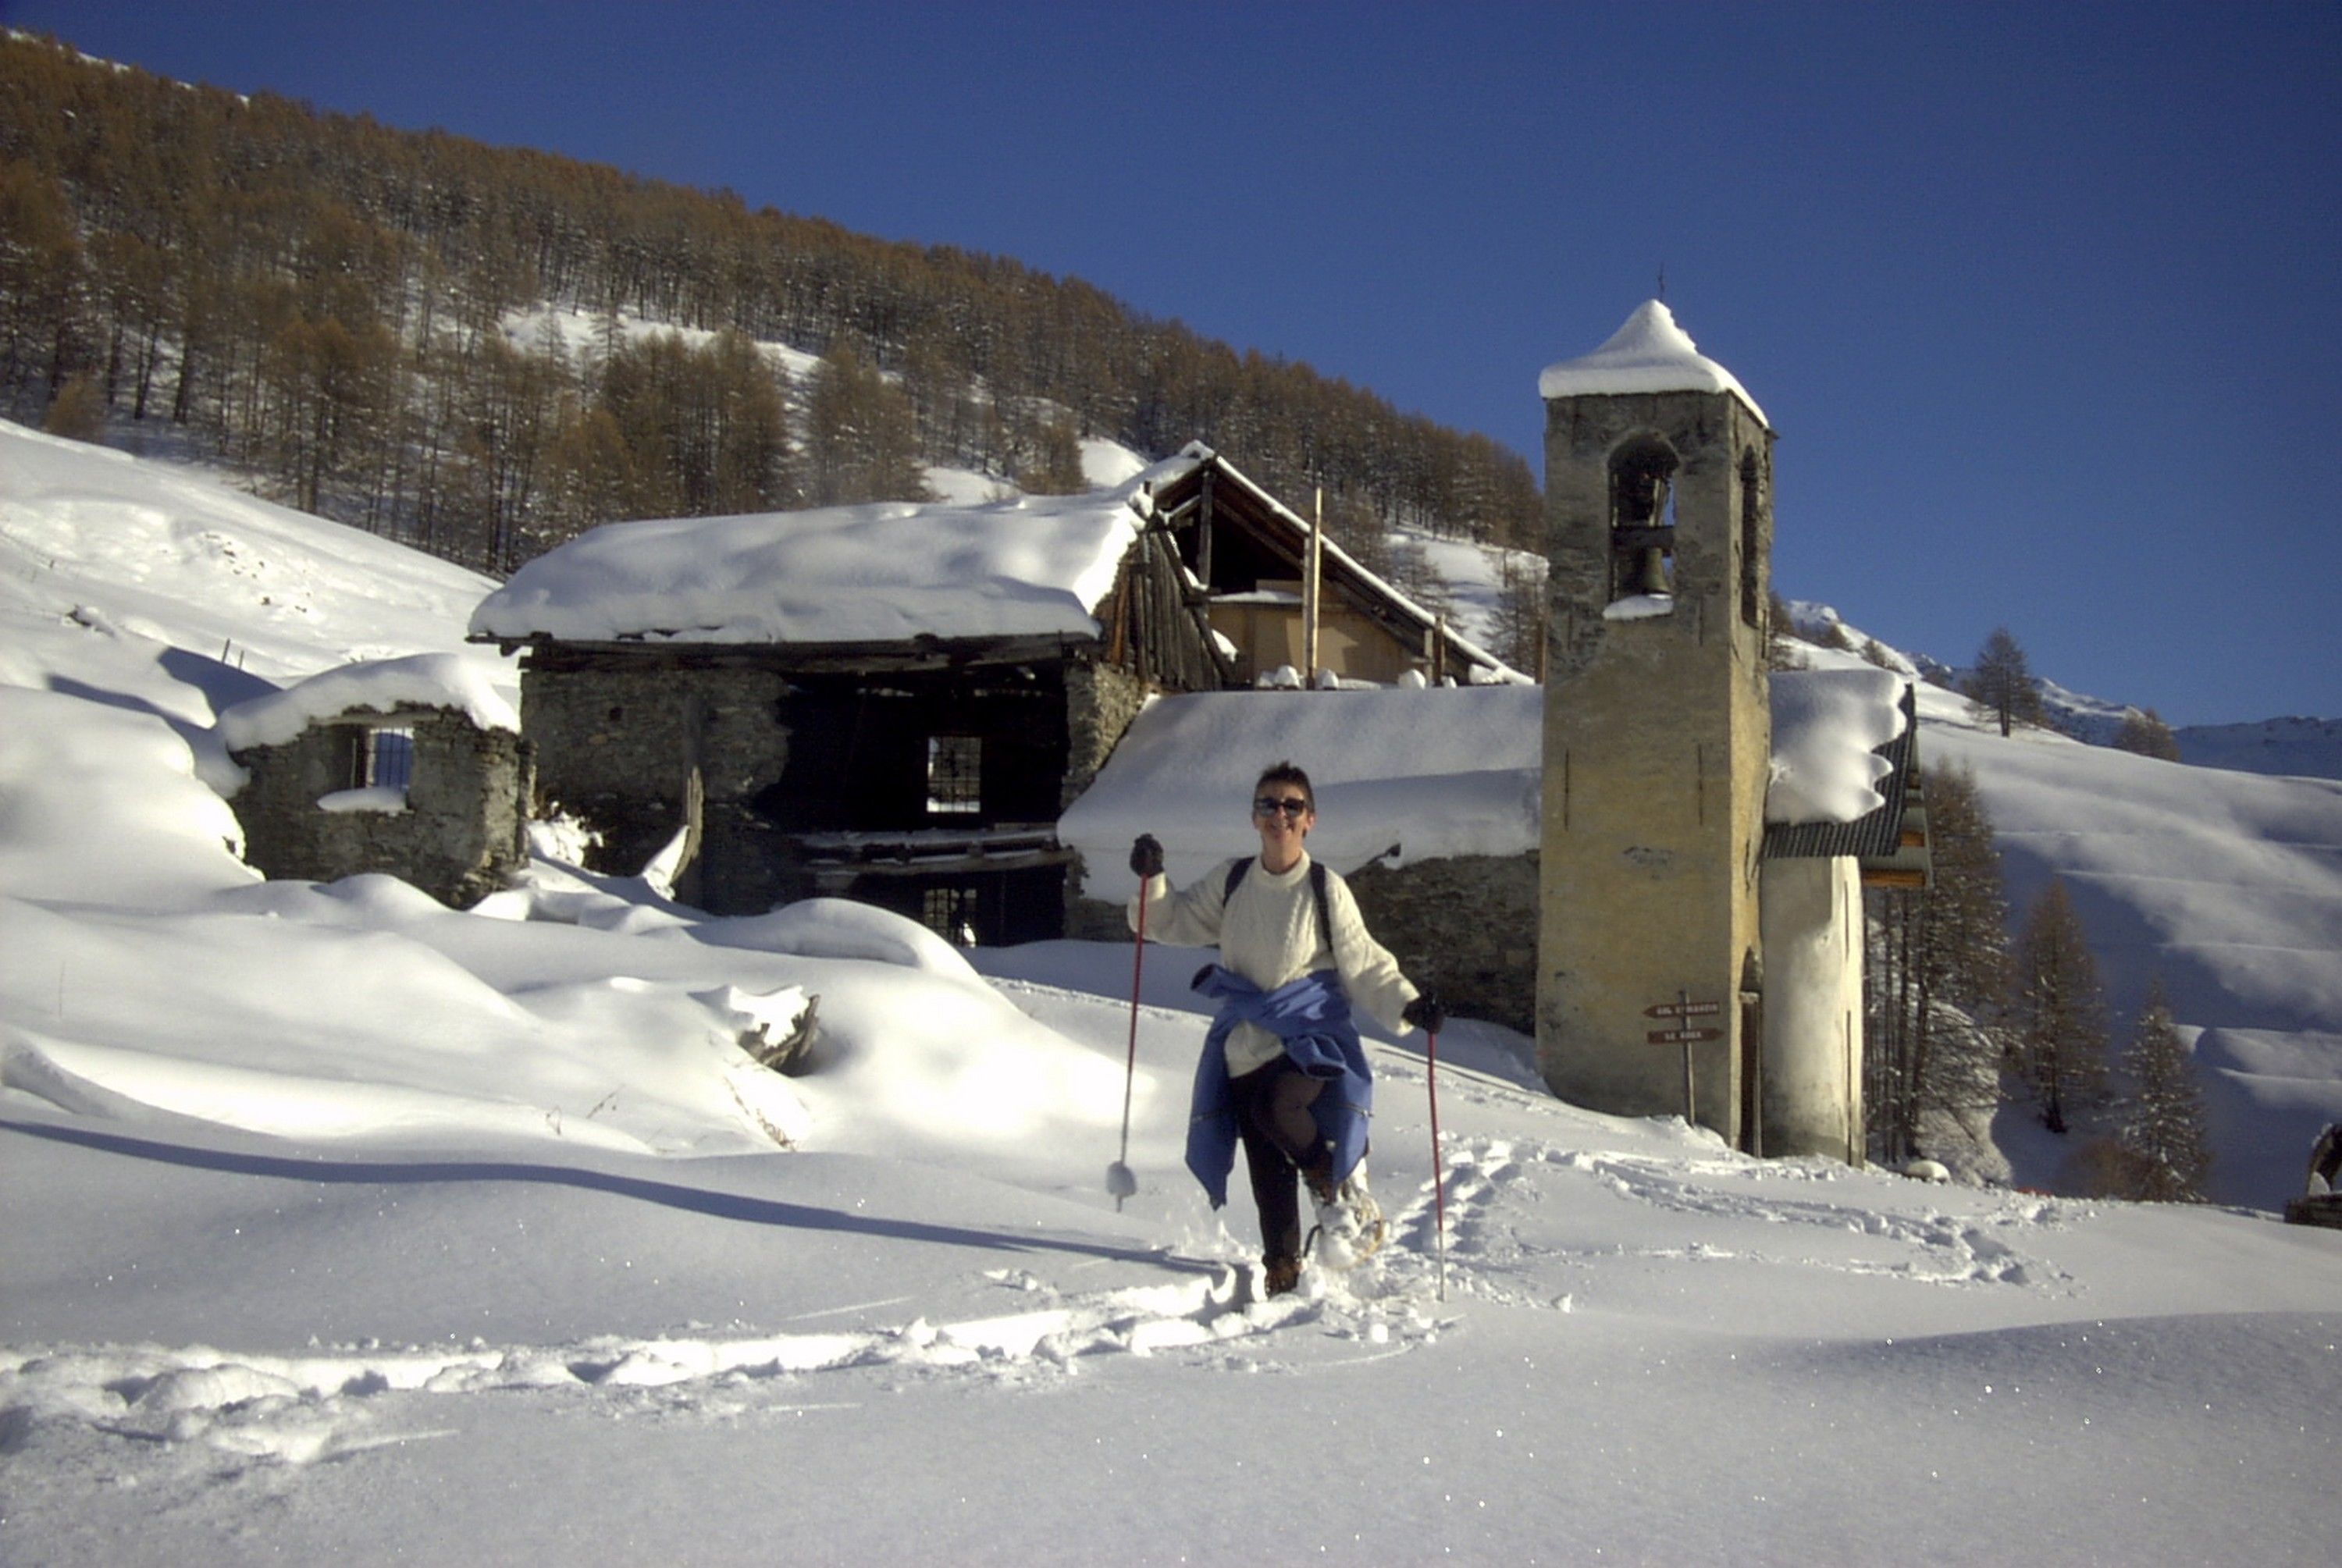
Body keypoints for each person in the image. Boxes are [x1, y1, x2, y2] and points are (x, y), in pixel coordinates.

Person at [1128, 760, 1443, 1296]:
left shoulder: (1324, 888)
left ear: (1309, 820)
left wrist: (1409, 1005)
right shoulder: (1232, 881)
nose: (1279, 814)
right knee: (1266, 1166)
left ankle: (1332, 1183)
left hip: (1310, 1036)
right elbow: (1167, 921)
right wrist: (1151, 879)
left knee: (1277, 1107)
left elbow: (1364, 961)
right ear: (1255, 817)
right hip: (1245, 1037)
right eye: (1268, 804)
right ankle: (1283, 1272)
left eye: (1291, 805)